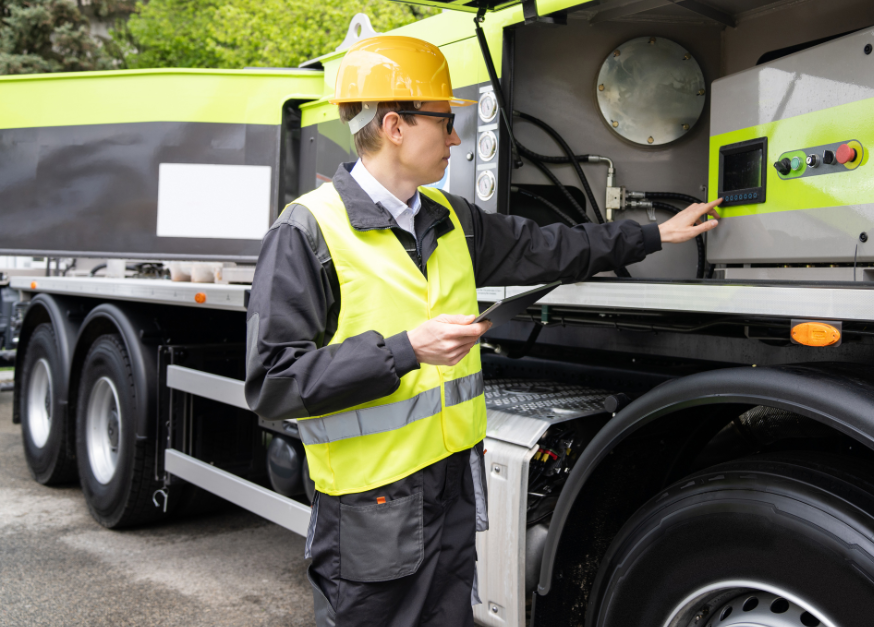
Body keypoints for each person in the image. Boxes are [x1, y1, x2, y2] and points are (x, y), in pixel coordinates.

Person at [244, 35, 720, 627]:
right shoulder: (307, 232)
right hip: (372, 505)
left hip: (451, 489)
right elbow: (274, 383)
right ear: (394, 125)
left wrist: (654, 235)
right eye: (444, 122)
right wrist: (405, 350)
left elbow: (551, 247)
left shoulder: (450, 221)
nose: (454, 138)